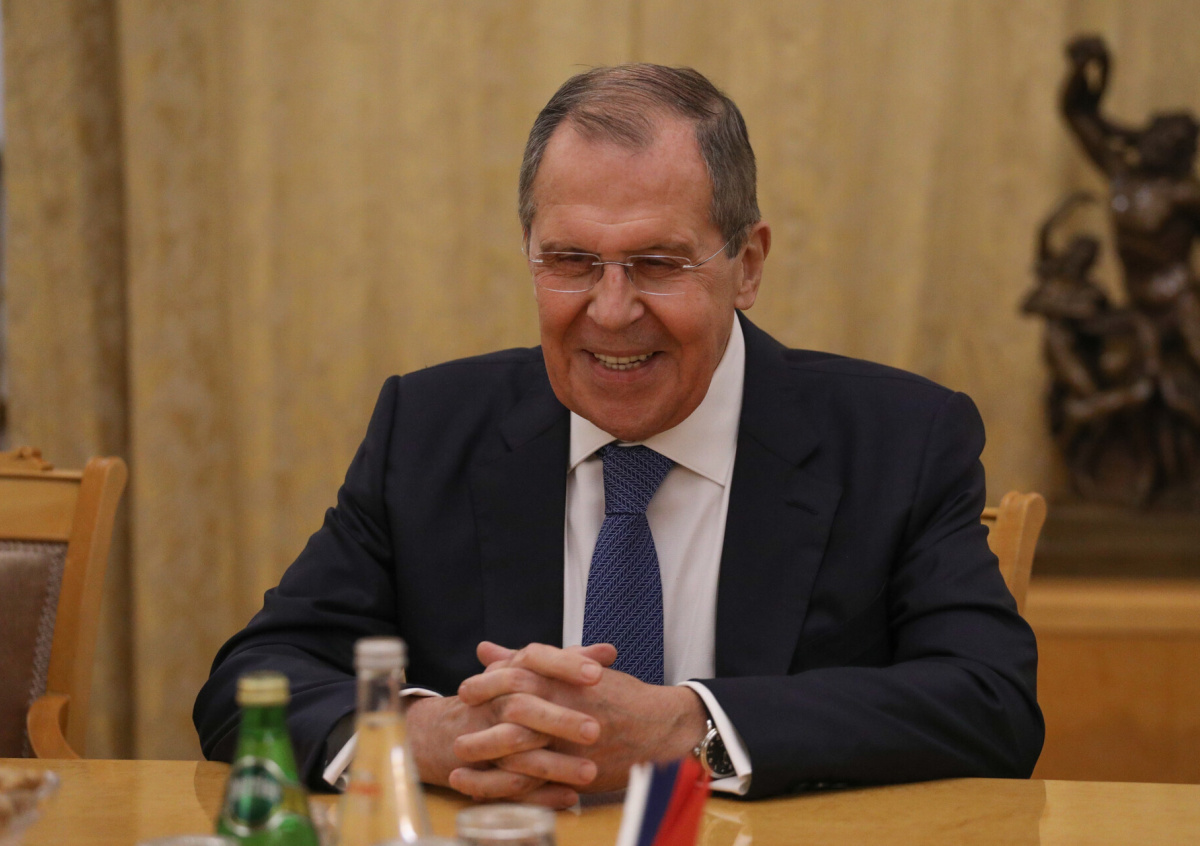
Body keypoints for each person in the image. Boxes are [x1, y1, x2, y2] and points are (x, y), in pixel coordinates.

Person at [194, 64, 1043, 804]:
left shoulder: (899, 439)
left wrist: (690, 730)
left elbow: (990, 703)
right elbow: (251, 683)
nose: (610, 311)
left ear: (747, 264)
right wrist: (419, 736)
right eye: (571, 262)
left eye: (657, 264)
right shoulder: (428, 427)